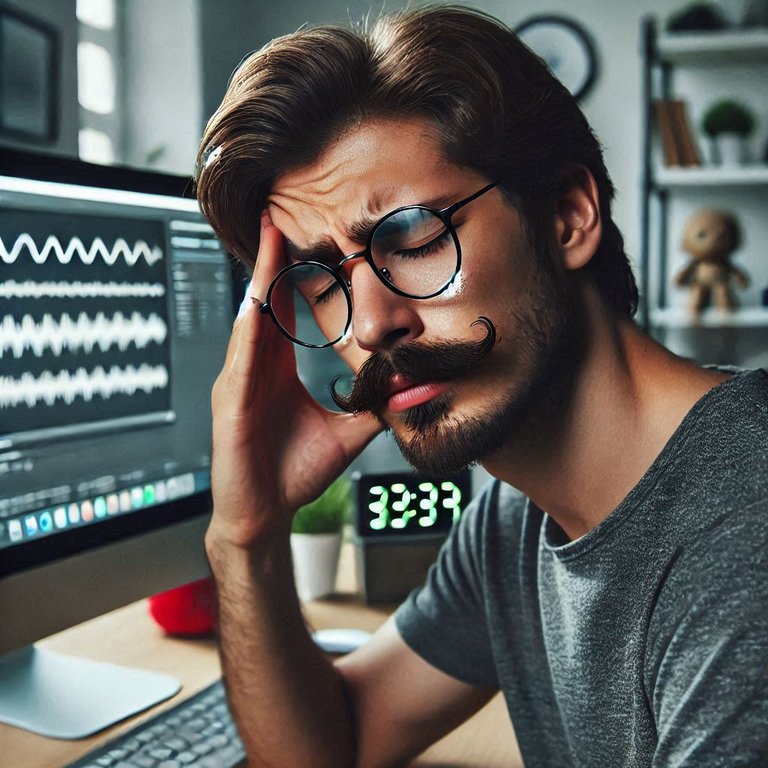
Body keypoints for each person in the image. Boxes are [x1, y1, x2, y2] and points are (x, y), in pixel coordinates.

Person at [194, 6, 768, 767]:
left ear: (566, 216)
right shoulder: (518, 514)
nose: (366, 326)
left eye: (412, 238)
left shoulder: (743, 538)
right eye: (324, 278)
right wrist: (246, 537)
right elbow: (334, 749)